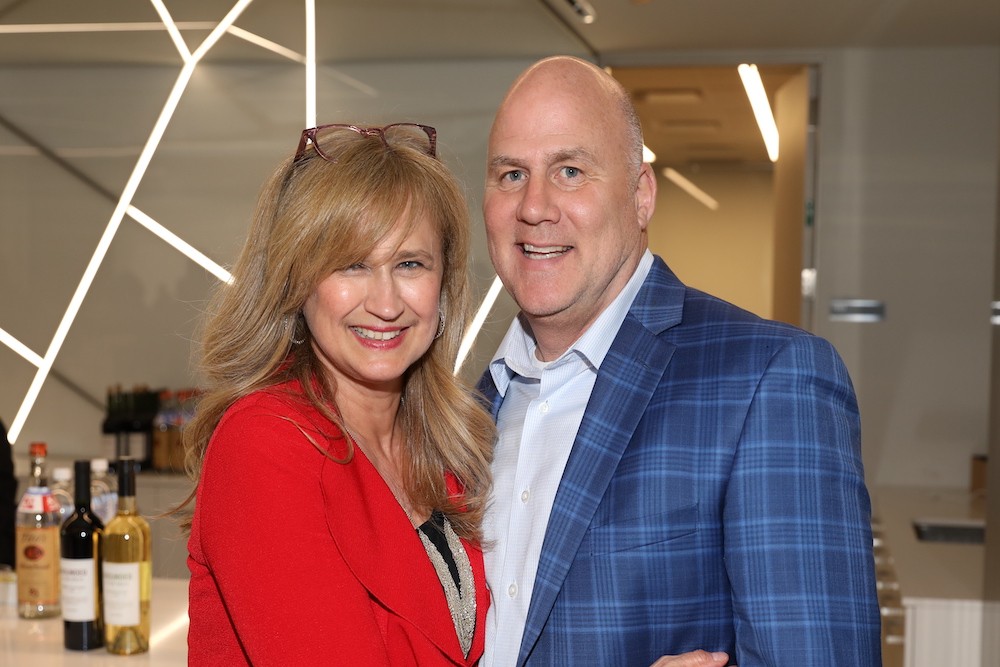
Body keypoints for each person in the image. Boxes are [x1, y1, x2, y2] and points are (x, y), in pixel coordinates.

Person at [477, 56, 881, 666]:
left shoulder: (768, 380)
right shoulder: (471, 405)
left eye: (570, 171)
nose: (534, 206)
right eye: (511, 174)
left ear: (641, 195)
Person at [183, 122, 495, 665]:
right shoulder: (264, 444)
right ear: (296, 281)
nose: (386, 303)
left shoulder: (449, 447)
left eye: (410, 264)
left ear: (443, 285)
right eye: (352, 264)